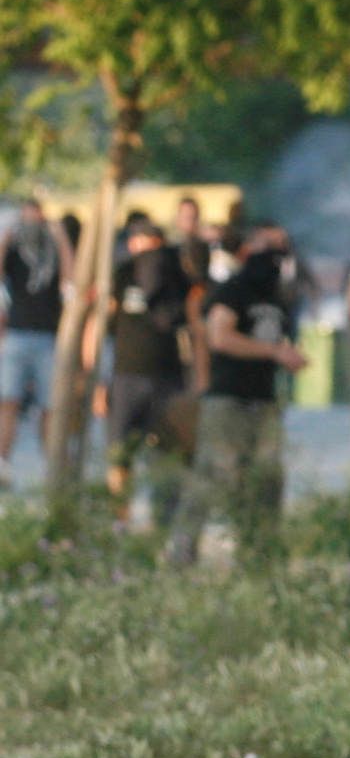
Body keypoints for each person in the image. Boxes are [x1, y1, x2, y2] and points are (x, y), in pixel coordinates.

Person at [168, 221, 307, 565]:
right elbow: (219, 336)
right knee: (212, 475)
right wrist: (273, 352)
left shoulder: (279, 297)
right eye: (267, 248)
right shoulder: (234, 290)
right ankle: (182, 552)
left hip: (264, 398)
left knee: (265, 479)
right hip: (228, 398)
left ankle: (258, 553)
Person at [86, 212, 200, 532]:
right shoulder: (122, 274)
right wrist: (96, 379)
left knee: (166, 453)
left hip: (168, 377)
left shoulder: (178, 277)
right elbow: (101, 325)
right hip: (126, 375)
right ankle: (119, 517)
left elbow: (193, 325)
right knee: (120, 452)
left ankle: (162, 521)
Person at [0, 198, 72, 483]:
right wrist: (7, 236)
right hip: (17, 335)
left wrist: (60, 236)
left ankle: (53, 470)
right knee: (8, 401)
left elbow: (72, 278)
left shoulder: (52, 253)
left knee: (50, 407)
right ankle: (2, 463)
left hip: (48, 337)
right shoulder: (16, 252)